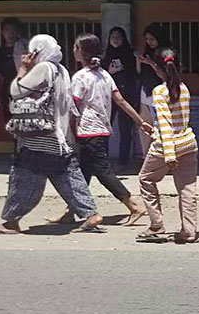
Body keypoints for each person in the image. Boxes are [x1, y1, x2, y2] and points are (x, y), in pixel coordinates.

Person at [0, 35, 103, 235]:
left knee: (23, 177)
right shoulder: (62, 70)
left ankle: (11, 222)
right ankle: (91, 214)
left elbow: (16, 90)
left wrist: (23, 68)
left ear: (37, 51)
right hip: (59, 136)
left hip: (39, 136)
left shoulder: (43, 69)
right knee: (68, 176)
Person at [46, 33, 152, 226]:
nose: (74, 51)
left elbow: (73, 108)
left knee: (103, 172)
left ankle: (133, 206)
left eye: (76, 47)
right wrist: (139, 121)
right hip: (102, 130)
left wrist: (64, 129)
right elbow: (120, 101)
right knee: (83, 173)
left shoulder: (80, 77)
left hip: (87, 131)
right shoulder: (105, 75)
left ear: (82, 52)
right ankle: (71, 210)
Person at [136, 48, 199, 244]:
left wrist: (170, 155)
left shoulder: (159, 91)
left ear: (156, 67)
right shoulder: (184, 88)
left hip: (166, 147)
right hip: (188, 144)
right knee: (187, 189)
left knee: (145, 179)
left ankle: (156, 224)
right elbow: (178, 121)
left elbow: (166, 124)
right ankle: (189, 231)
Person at [102, 26, 140, 167]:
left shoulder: (130, 54)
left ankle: (123, 161)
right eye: (113, 37)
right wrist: (110, 71)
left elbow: (137, 75)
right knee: (105, 129)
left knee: (126, 130)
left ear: (124, 39)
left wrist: (136, 63)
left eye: (119, 37)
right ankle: (103, 162)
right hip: (109, 97)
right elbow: (99, 76)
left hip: (127, 96)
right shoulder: (105, 56)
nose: (116, 40)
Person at [0, 17, 29, 122]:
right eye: (7, 30)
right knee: (11, 123)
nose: (11, 34)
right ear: (2, 32)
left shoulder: (26, 49)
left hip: (26, 90)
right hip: (7, 93)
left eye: (14, 30)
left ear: (19, 32)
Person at [136, 24, 169, 156]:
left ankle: (163, 158)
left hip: (160, 96)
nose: (149, 42)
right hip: (145, 94)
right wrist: (139, 62)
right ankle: (147, 157)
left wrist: (151, 63)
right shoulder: (147, 52)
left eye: (152, 39)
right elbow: (139, 74)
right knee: (145, 128)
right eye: (147, 39)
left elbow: (166, 76)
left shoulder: (167, 53)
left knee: (161, 129)